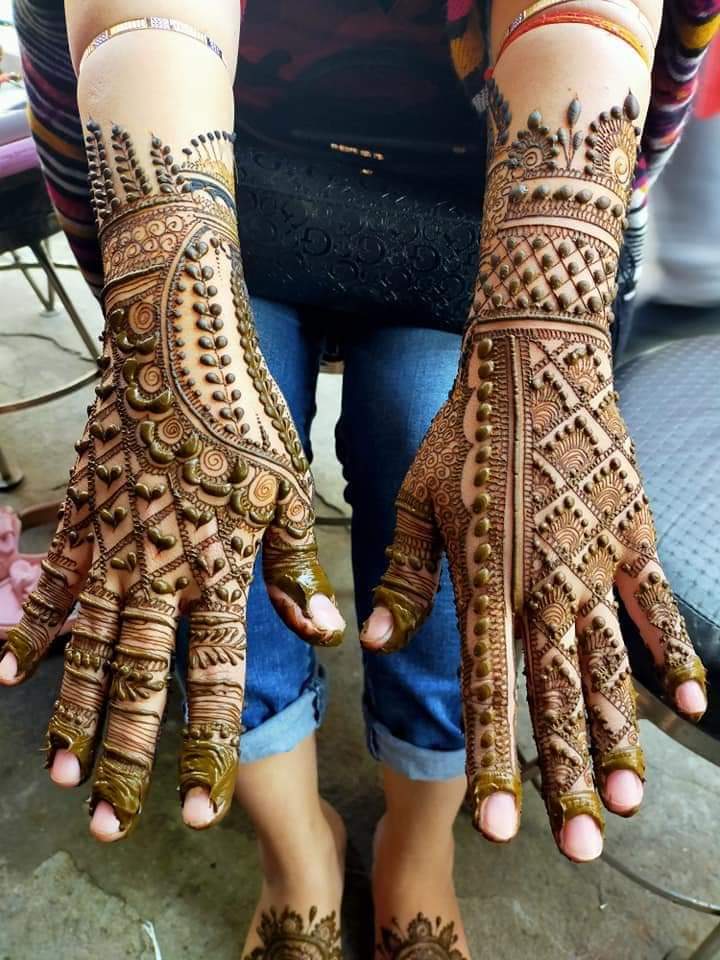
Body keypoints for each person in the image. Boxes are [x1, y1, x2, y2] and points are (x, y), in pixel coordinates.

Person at [0, 0, 716, 955]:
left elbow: (591, 24)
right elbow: (144, 28)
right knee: (193, 499)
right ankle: (298, 854)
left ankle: (418, 854)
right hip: (227, 185)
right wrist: (162, 307)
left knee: (477, 486)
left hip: (478, 203)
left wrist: (549, 314)